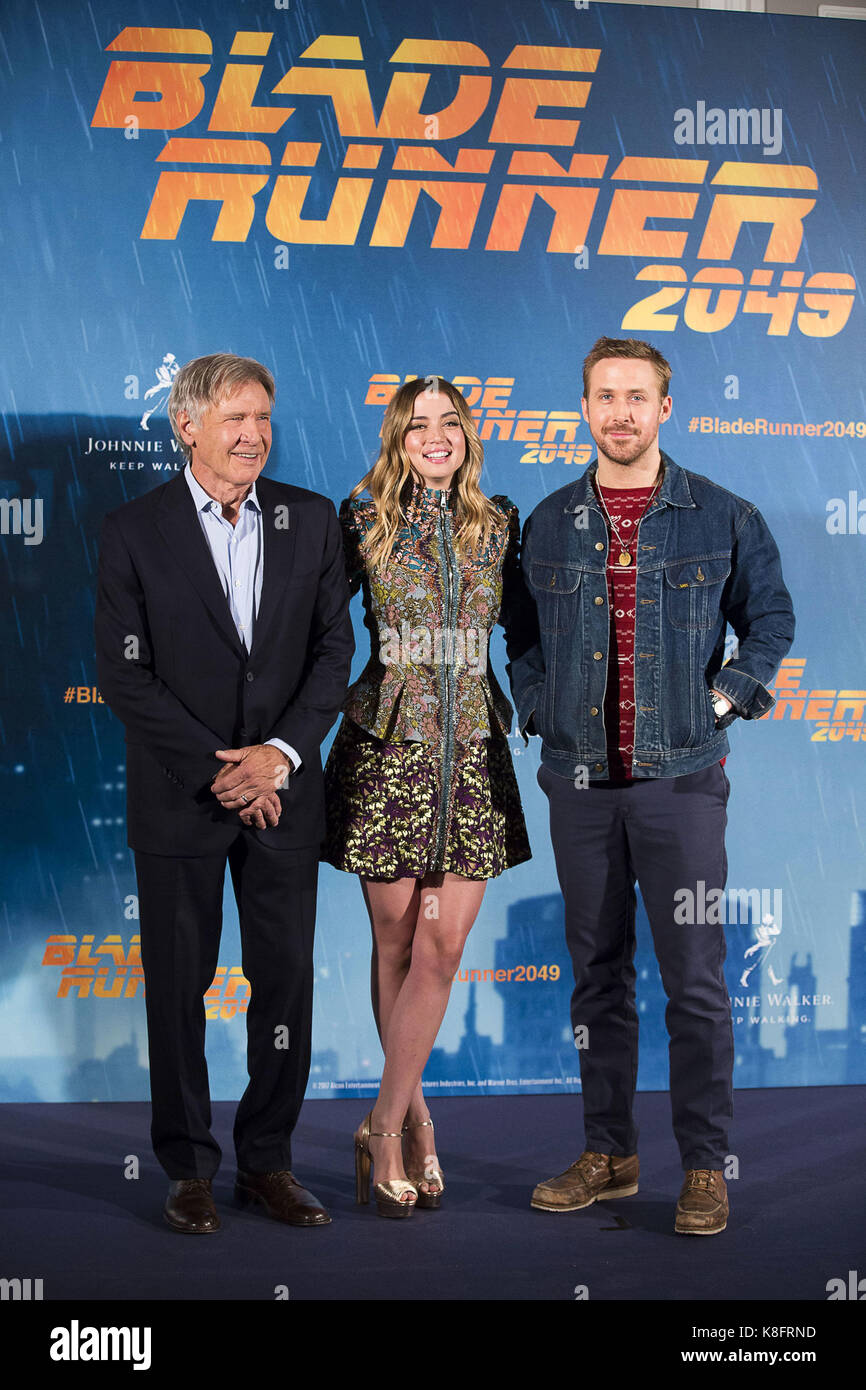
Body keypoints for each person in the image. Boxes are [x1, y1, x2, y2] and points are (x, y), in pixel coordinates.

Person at [507, 337, 794, 1235]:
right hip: (581, 785)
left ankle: (704, 1166)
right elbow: (521, 638)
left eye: (638, 396)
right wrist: (541, 709)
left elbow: (772, 619)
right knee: (596, 979)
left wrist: (723, 700)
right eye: (604, 396)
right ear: (584, 408)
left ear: (666, 408)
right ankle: (612, 1154)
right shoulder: (549, 521)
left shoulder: (723, 515)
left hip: (682, 782)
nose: (621, 412)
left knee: (696, 981)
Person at [95, 353, 353, 1233]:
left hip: (284, 797)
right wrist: (222, 772)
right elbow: (126, 680)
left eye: (263, 418)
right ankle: (188, 1168)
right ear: (187, 425)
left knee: (284, 988)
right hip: (180, 802)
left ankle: (268, 1164)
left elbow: (332, 655)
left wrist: (277, 757)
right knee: (176, 988)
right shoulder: (132, 530)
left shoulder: (312, 521)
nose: (253, 435)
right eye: (236, 417)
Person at [323, 376, 531, 1217]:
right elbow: (313, 629)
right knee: (399, 944)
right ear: (397, 437)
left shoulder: (497, 525)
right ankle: (413, 1124)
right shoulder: (362, 521)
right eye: (418, 425)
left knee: (442, 952)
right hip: (389, 757)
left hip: (473, 759)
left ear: (469, 433)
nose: (435, 437)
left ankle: (382, 1125)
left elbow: (534, 630)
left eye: (449, 422)